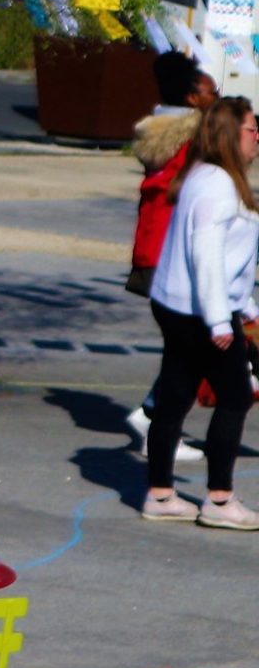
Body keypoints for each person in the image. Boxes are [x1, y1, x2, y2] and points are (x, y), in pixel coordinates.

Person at [140, 97, 259, 528]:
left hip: (182, 304)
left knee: (175, 395)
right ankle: (221, 501)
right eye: (252, 128)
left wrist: (247, 307)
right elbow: (206, 255)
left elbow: (229, 260)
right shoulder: (217, 185)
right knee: (235, 397)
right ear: (231, 135)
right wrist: (218, 319)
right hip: (199, 311)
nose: (258, 136)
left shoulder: (207, 177)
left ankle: (160, 494)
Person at [124, 52, 218, 461]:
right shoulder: (195, 140)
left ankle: (153, 416)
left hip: (153, 246)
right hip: (173, 251)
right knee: (192, 345)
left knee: (185, 345)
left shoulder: (160, 130)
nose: (218, 97)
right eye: (212, 91)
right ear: (193, 98)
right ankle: (156, 423)